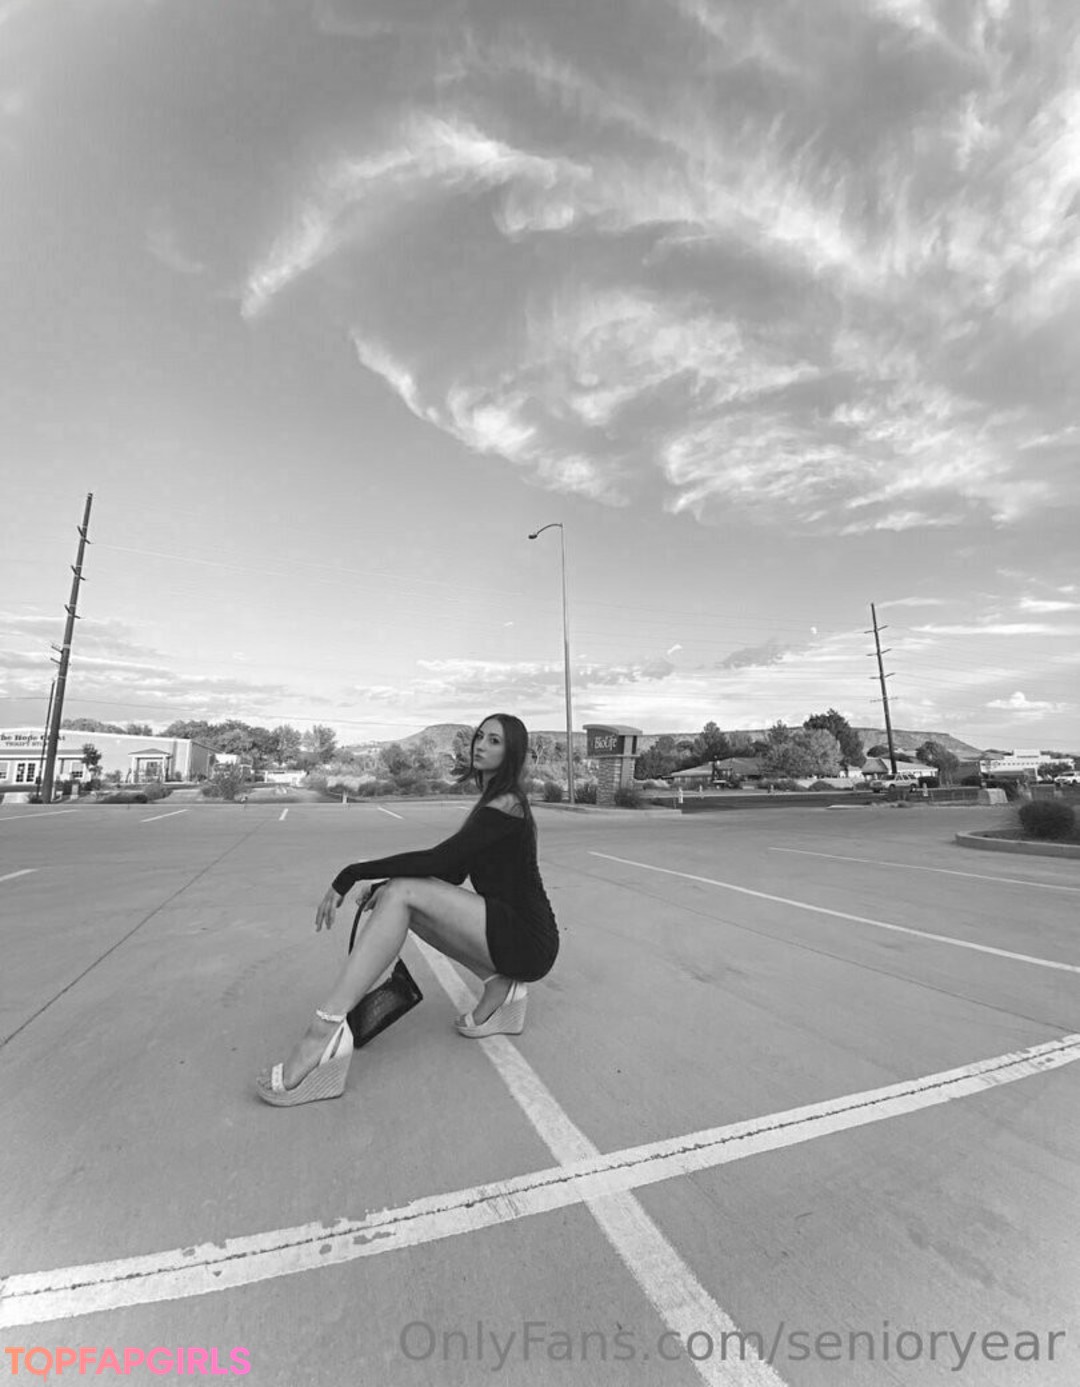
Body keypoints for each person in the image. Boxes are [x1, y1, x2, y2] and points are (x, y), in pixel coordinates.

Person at [256, 713, 559, 1106]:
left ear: (512, 752)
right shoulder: (493, 803)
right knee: (400, 897)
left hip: (528, 936)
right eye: (480, 736)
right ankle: (501, 986)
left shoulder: (507, 804)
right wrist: (383, 885)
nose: (481, 745)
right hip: (511, 931)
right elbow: (452, 872)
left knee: (402, 894)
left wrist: (353, 873)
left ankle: (323, 1032)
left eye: (495, 741)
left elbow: (438, 861)